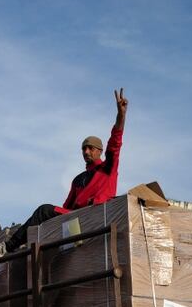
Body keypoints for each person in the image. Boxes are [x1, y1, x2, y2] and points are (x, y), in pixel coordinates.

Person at [7, 89, 128, 249]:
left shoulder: (107, 169)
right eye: (84, 149)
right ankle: (25, 245)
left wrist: (121, 115)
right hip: (75, 224)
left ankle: (8, 246)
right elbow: (66, 209)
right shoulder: (78, 180)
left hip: (93, 218)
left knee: (44, 211)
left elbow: (115, 144)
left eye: (91, 148)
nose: (86, 152)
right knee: (48, 220)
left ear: (99, 151)